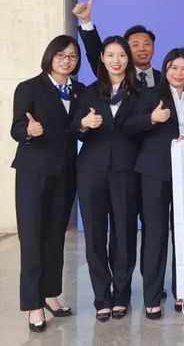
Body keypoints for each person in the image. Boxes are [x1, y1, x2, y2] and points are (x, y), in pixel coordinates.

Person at [11, 35, 83, 332]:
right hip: (34, 172)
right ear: (50, 57)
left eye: (72, 56)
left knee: (55, 237)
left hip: (65, 173)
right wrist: (28, 130)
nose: (67, 60)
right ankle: (34, 305)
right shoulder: (29, 87)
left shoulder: (79, 91)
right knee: (32, 238)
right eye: (61, 55)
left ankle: (51, 294)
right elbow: (16, 127)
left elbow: (75, 128)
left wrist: (84, 127)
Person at [121, 48, 184, 319]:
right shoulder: (151, 95)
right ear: (165, 70)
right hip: (155, 171)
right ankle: (152, 297)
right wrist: (152, 118)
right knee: (155, 234)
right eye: (174, 68)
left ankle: (182, 290)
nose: (179, 73)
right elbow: (128, 126)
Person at [70, 37, 141, 321]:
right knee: (95, 236)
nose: (116, 61)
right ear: (102, 58)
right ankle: (102, 296)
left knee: (124, 233)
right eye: (110, 55)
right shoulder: (88, 92)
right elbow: (72, 128)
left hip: (126, 170)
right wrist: (84, 124)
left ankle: (121, 294)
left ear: (128, 59)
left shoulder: (140, 92)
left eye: (121, 55)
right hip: (91, 171)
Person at [73, 0, 161, 86]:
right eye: (135, 45)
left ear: (153, 49)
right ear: (126, 50)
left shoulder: (165, 79)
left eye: (147, 44)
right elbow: (94, 52)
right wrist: (85, 20)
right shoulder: (114, 74)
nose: (142, 49)